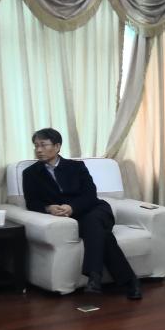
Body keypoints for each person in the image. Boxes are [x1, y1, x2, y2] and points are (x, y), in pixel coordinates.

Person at [22, 128, 141, 299]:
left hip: (95, 209)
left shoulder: (76, 167)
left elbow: (90, 195)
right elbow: (32, 202)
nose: (38, 150)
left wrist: (72, 207)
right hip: (74, 219)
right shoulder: (30, 174)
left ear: (57, 146)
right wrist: (48, 208)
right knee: (102, 235)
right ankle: (130, 281)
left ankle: (94, 275)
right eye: (36, 146)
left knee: (93, 221)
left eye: (43, 145)